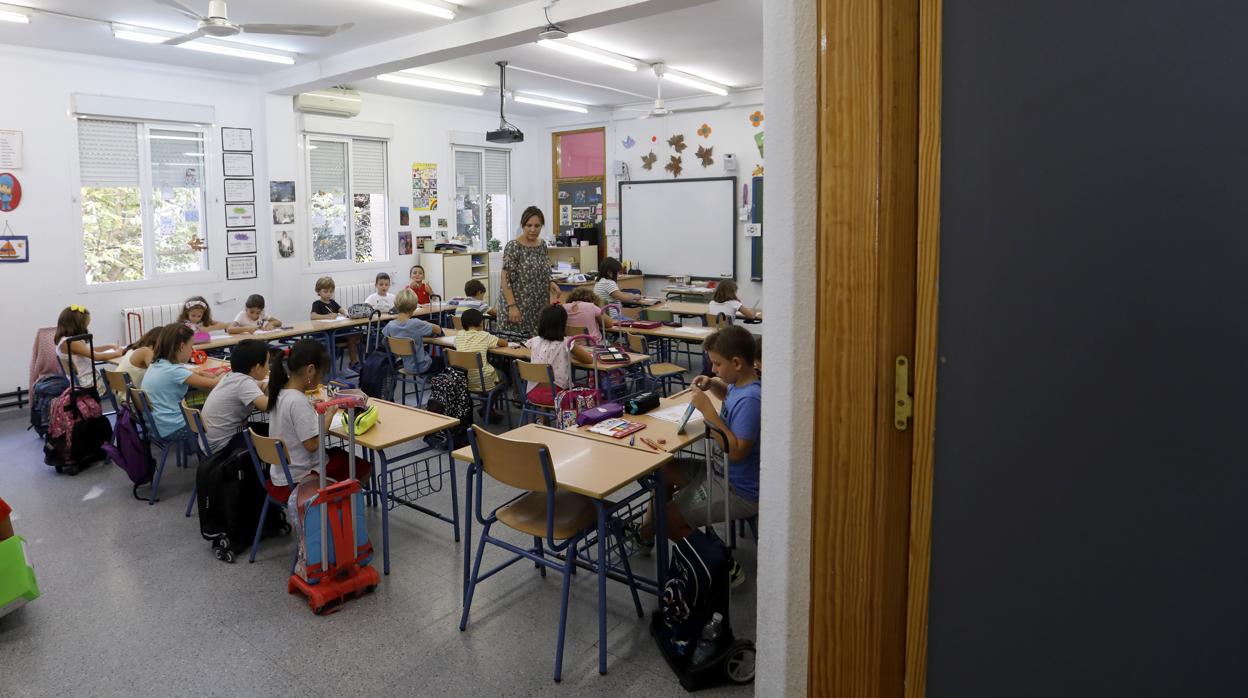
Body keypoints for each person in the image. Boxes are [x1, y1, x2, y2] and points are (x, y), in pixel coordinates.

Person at [628, 325, 760, 587]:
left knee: (667, 521)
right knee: (662, 469)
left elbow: (735, 454)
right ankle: (647, 533)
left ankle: (722, 563)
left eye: (717, 365)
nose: (712, 370)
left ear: (736, 362)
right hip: (718, 470)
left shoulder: (751, 400)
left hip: (738, 488)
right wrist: (714, 385)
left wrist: (710, 413)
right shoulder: (740, 384)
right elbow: (729, 392)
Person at [264, 339, 373, 500]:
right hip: (300, 478)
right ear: (310, 370)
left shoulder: (280, 393)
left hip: (281, 473)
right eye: (321, 375)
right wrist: (328, 414)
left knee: (337, 453)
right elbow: (312, 445)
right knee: (364, 466)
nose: (321, 380)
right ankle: (337, 508)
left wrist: (309, 406)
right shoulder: (297, 401)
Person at [141, 324, 221, 440]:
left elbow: (185, 374)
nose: (192, 350)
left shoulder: (157, 364)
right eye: (191, 346)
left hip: (157, 426)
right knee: (223, 419)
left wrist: (202, 374)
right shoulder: (175, 371)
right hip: (174, 428)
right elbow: (215, 384)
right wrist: (226, 374)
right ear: (182, 346)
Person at [499, 206, 562, 337]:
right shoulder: (513, 246)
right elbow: (505, 280)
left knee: (537, 347)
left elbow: (542, 270)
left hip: (538, 307)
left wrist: (550, 283)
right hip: (517, 307)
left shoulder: (542, 245)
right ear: (523, 225)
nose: (533, 230)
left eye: (537, 226)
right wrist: (512, 306)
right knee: (517, 350)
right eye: (529, 225)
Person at [199, 339, 269, 453]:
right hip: (222, 447)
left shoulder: (231, 376)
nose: (268, 367)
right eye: (267, 363)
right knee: (275, 435)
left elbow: (260, 385)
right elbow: (267, 406)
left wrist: (267, 386)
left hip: (209, 442)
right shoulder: (244, 383)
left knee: (267, 430)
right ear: (257, 368)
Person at [523, 304, 592, 406]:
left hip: (532, 393)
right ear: (563, 324)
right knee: (583, 391)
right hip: (557, 396)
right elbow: (588, 360)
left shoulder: (534, 341)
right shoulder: (566, 342)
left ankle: (542, 419)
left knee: (545, 378)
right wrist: (572, 355)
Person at [54, 305, 123, 389]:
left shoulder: (64, 340)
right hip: (88, 383)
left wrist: (109, 346)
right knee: (123, 381)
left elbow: (87, 351)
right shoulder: (72, 342)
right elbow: (96, 356)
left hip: (80, 382)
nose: (86, 328)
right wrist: (118, 352)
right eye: (85, 326)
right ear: (77, 325)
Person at [382, 288, 444, 375]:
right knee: (443, 360)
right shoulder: (416, 323)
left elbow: (384, 342)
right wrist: (425, 323)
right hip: (421, 366)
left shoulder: (390, 325)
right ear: (414, 307)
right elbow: (438, 329)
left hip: (403, 365)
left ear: (395, 305)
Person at [453, 309, 507, 392]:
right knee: (504, 375)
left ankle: (486, 401)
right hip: (484, 382)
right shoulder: (485, 335)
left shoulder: (459, 335)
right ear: (481, 323)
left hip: (463, 380)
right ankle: (489, 402)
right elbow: (504, 343)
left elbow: (456, 345)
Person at [309, 276, 359, 364]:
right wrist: (328, 316)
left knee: (354, 334)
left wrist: (346, 313)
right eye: (325, 291)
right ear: (318, 291)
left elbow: (342, 310)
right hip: (326, 333)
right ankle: (330, 364)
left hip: (337, 331)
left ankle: (354, 362)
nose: (328, 294)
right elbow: (313, 316)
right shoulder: (317, 304)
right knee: (328, 343)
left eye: (331, 291)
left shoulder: (333, 302)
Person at [111, 327, 161, 399]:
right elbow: (158, 374)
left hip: (123, 396)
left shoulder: (132, 349)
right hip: (136, 400)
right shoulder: (146, 351)